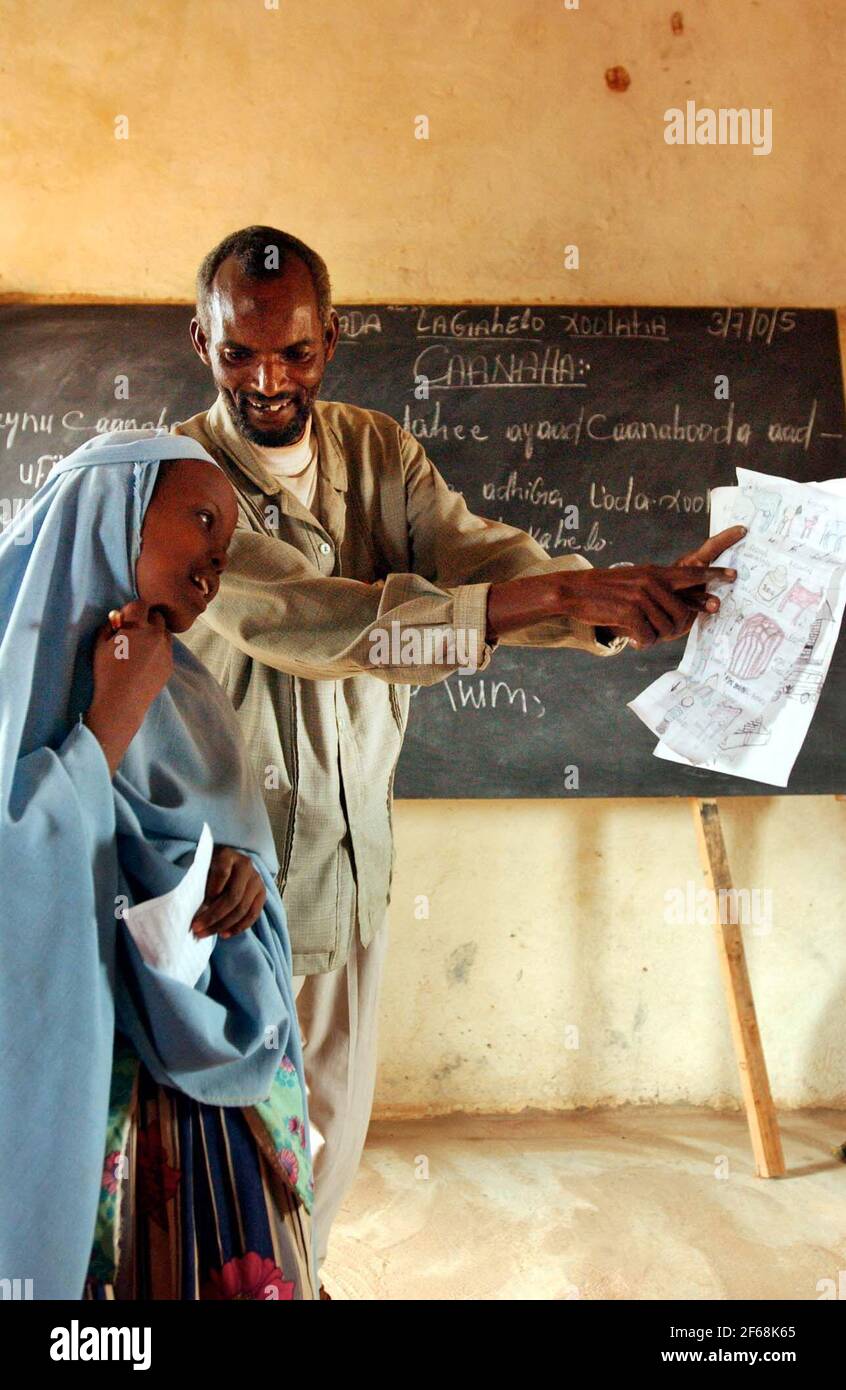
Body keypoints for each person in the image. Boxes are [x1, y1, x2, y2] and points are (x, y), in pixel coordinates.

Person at [174, 225, 742, 1286]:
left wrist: (618, 602)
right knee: (233, 1122)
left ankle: (305, 1274)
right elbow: (326, 622)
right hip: (228, 870)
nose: (265, 380)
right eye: (237, 352)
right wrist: (568, 593)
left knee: (331, 1112)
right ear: (197, 337)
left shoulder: (379, 453)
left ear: (329, 339)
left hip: (349, 858)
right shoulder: (179, 480)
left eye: (292, 352)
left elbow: (485, 562)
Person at [0, 430, 316, 1300]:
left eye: (224, 550)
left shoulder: (189, 687)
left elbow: (235, 838)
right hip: (80, 1086)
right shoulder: (11, 666)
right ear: (115, 510)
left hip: (197, 1093)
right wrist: (108, 721)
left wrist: (247, 877)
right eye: (199, 523)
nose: (212, 568)